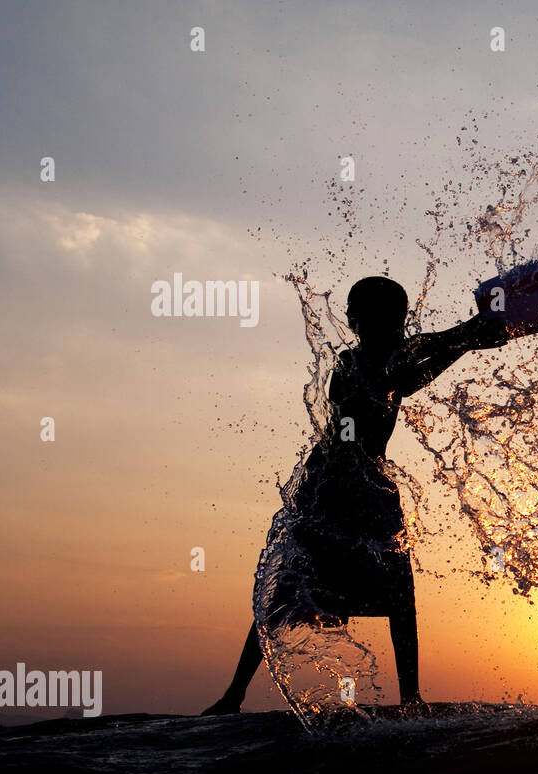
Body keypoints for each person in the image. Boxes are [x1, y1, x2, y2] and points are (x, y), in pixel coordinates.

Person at [202, 276, 510, 715]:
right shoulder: (355, 366)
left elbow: (429, 350)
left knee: (342, 584)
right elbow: (412, 371)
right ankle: (236, 695)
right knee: (315, 585)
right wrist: (473, 333)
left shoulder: (381, 354)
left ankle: (236, 695)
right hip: (340, 484)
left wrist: (485, 328)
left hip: (346, 482)